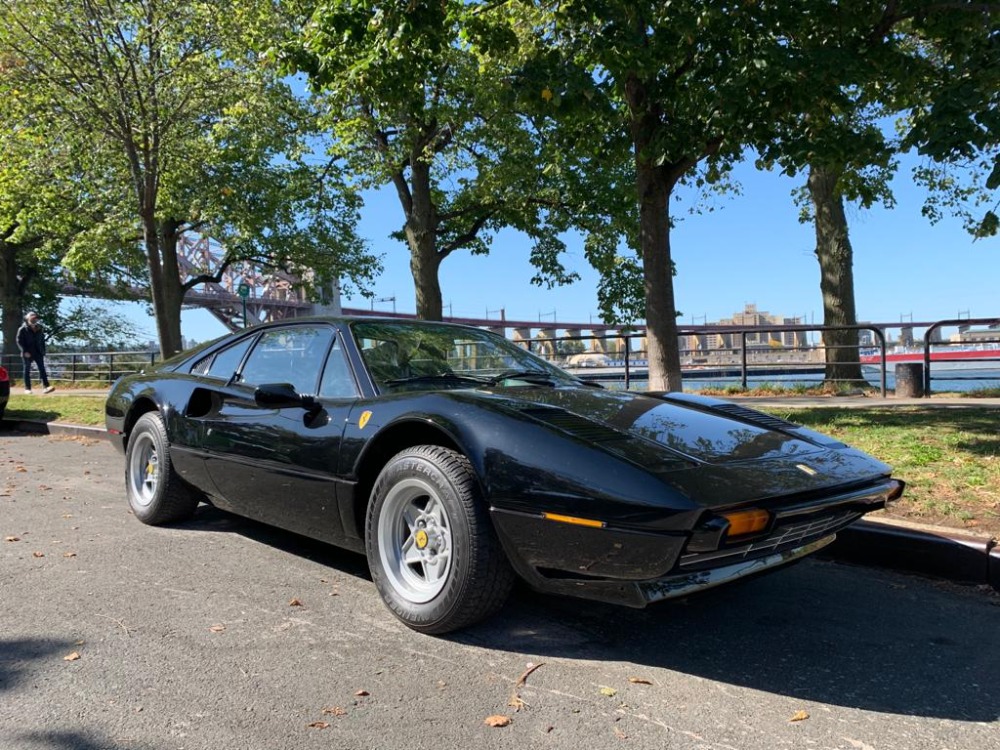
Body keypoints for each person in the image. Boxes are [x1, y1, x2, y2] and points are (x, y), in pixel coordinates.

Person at [16, 312, 54, 394]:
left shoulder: (39, 328)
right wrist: (24, 351)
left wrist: (43, 351)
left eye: (35, 317)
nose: (34, 318)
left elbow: (42, 340)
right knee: (27, 370)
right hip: (28, 352)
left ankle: (46, 387)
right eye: (32, 316)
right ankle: (27, 388)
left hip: (38, 352)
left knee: (42, 369)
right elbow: (19, 341)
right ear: (27, 318)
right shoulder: (22, 329)